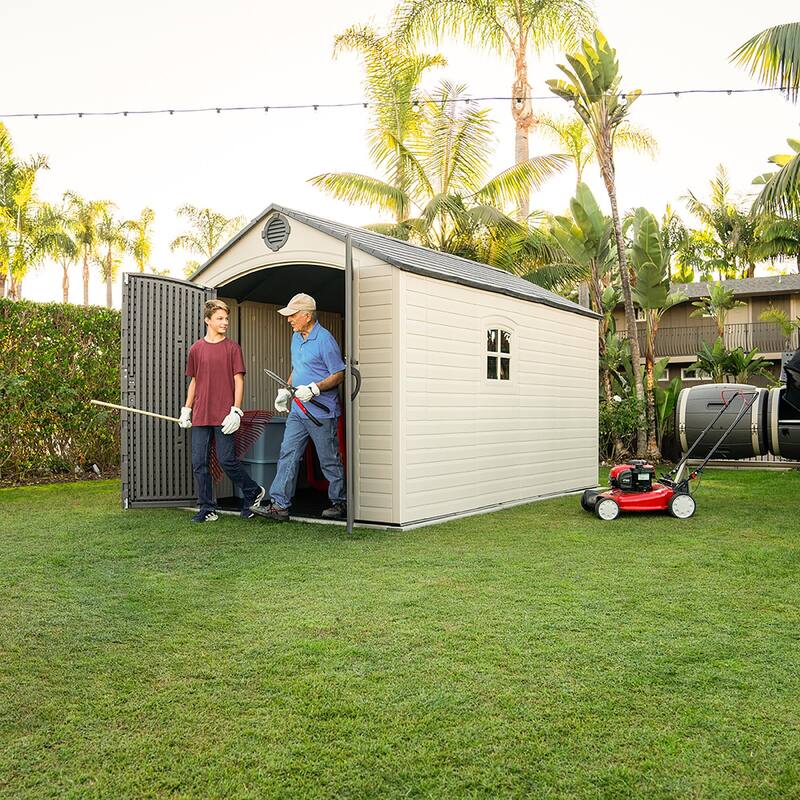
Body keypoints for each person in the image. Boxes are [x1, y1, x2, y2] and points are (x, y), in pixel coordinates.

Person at [251, 293, 347, 522]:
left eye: (293, 315)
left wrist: (315, 388)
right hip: (299, 410)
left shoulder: (324, 340)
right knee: (288, 453)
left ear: (307, 315)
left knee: (328, 459)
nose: (289, 319)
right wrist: (287, 389)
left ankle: (340, 503)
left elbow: (339, 374)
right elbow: (297, 368)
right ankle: (280, 506)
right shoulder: (296, 337)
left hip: (322, 413)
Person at [178, 299, 265, 522]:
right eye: (220, 318)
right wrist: (186, 410)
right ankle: (207, 508)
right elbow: (195, 381)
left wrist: (236, 410)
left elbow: (239, 381)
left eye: (226, 318)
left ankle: (252, 491)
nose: (225, 322)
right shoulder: (196, 349)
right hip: (201, 415)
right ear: (208, 320)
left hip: (225, 415)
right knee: (199, 463)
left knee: (227, 460)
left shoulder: (232, 348)